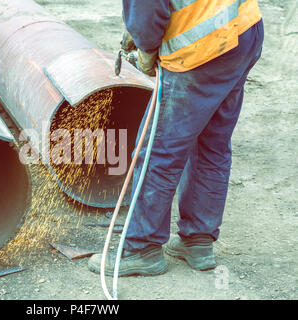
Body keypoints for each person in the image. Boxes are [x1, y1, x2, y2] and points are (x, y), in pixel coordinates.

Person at [89, 0, 264, 276]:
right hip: (243, 29)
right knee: (211, 142)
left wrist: (146, 46)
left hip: (199, 48)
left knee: (160, 150)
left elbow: (147, 10)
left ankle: (140, 248)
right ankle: (198, 241)